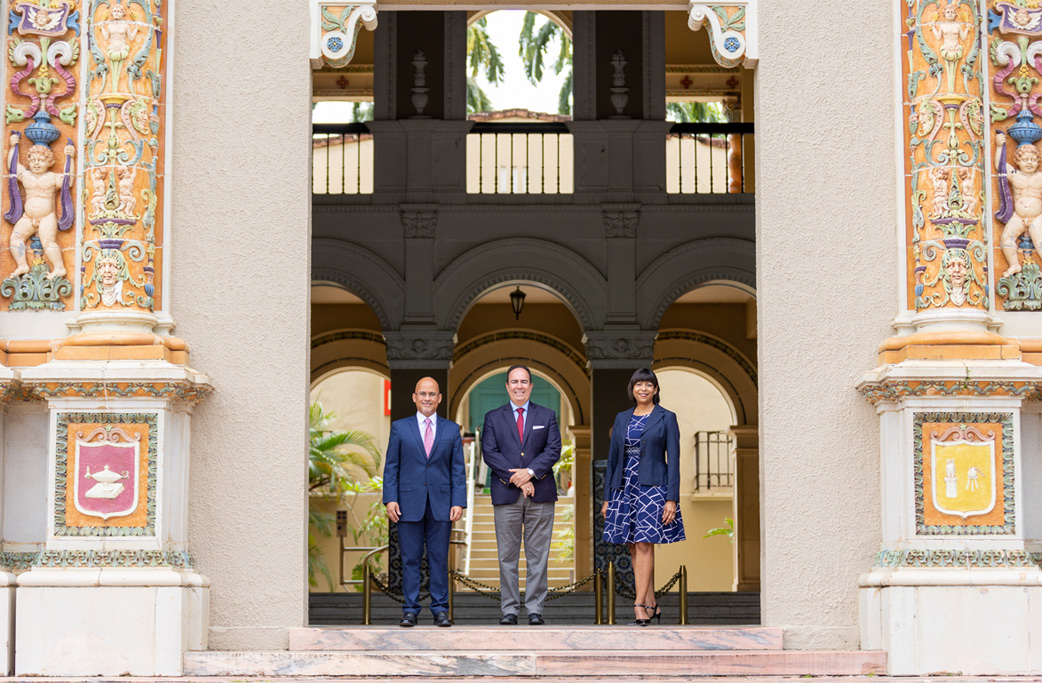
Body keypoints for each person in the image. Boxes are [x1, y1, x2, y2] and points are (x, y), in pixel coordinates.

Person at [601, 367, 686, 626]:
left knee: (645, 543)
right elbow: (613, 460)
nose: (644, 389)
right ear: (632, 389)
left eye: (649, 385)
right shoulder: (622, 417)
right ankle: (652, 604)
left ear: (656, 390)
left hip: (654, 488)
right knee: (632, 544)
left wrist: (672, 498)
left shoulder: (666, 418)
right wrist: (608, 497)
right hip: (624, 487)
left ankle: (639, 605)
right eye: (639, 384)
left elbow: (674, 461)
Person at [383, 377, 466, 627]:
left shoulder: (451, 430)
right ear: (414, 397)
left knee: (439, 558)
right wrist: (390, 499)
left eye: (432, 394)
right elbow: (391, 467)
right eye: (423, 394)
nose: (427, 398)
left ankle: (440, 609)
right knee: (410, 558)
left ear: (439, 398)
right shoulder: (399, 428)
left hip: (442, 503)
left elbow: (457, 469)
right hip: (407, 503)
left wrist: (459, 501)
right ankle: (410, 610)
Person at [482, 365, 561, 625]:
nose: (519, 386)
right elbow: (490, 453)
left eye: (524, 381)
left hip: (541, 494)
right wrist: (517, 478)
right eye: (514, 381)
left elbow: (553, 450)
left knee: (539, 555)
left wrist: (529, 472)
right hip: (506, 494)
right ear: (507, 386)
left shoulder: (547, 415)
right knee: (507, 555)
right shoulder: (493, 417)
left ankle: (535, 608)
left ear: (531, 386)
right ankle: (510, 610)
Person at [7, 134, 73, 279]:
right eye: (34, 160)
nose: (37, 163)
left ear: (50, 162)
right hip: (28, 216)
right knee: (15, 238)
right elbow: (12, 166)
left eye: (41, 160)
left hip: (46, 217)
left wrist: (71, 158)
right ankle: (22, 264)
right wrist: (13, 147)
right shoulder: (26, 175)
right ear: (29, 161)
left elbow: (68, 181)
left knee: (48, 242)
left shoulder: (52, 177)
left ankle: (59, 267)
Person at [995, 131, 1042, 277]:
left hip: (1037, 217)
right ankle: (1014, 264)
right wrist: (998, 147)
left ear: (1038, 161)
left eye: (1033, 160)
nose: (1029, 162)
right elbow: (1000, 166)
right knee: (1006, 238)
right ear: (1018, 161)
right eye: (1025, 159)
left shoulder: (1040, 177)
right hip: (1018, 217)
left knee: (1040, 241)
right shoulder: (1015, 175)